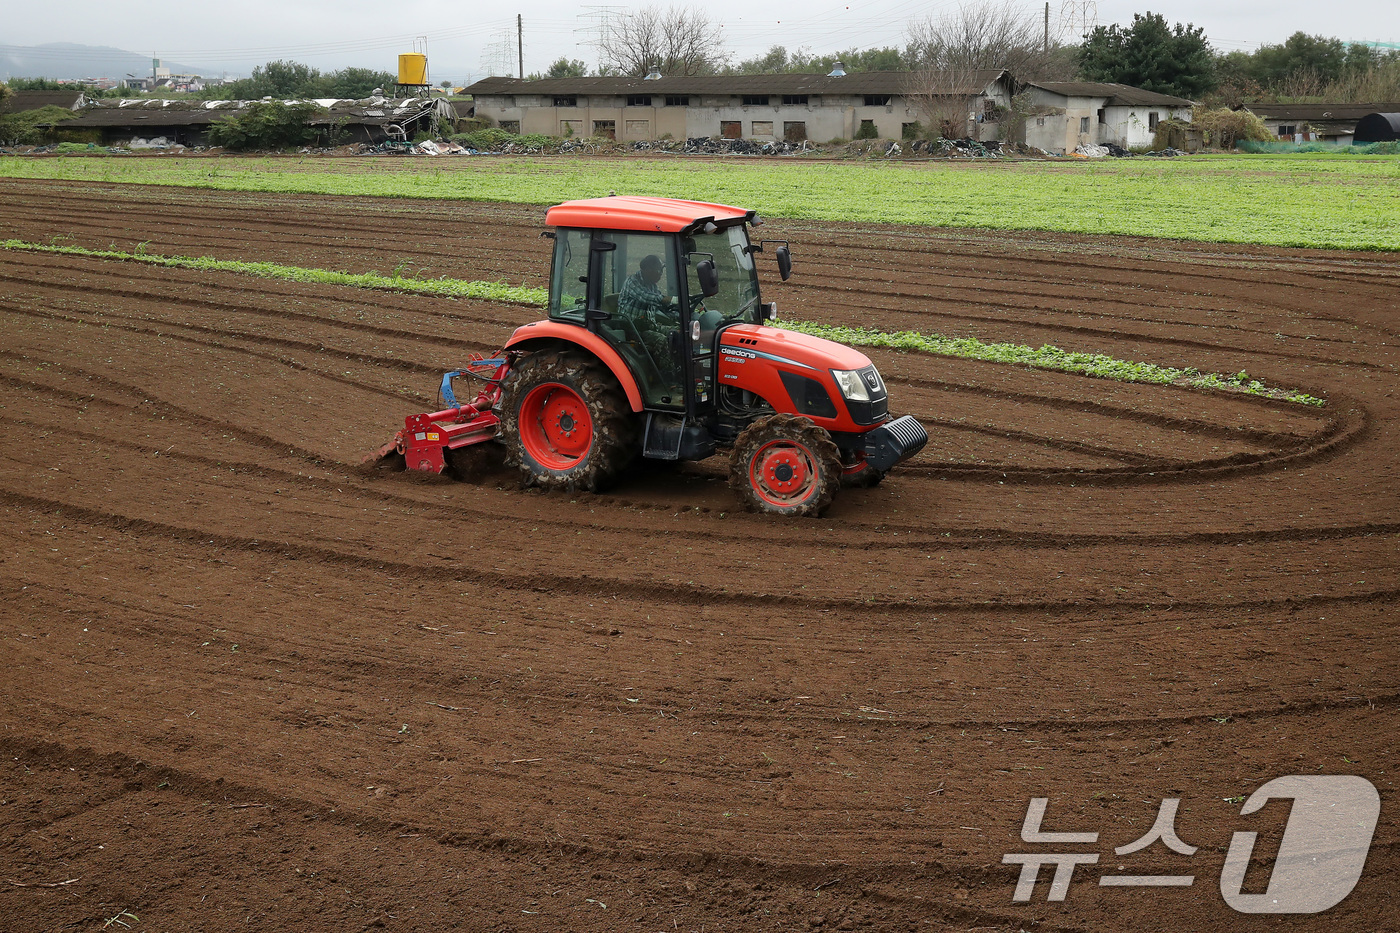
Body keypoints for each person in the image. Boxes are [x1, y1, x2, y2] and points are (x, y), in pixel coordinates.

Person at [616, 255, 679, 377]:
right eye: (658, 270)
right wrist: (674, 299)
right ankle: (668, 377)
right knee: (660, 339)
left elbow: (660, 303)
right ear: (647, 269)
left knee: (678, 332)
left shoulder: (652, 285)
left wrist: (677, 308)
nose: (661, 274)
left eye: (662, 270)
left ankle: (680, 369)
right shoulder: (632, 282)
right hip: (632, 328)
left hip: (649, 325)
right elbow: (647, 297)